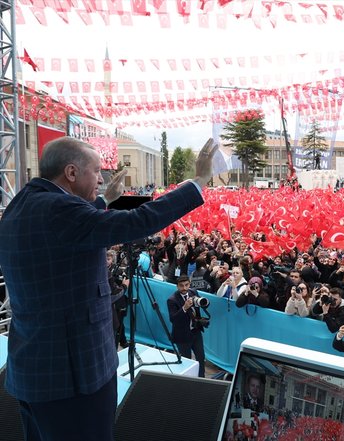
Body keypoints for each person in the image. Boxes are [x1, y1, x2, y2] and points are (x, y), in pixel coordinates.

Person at [0, 136, 217, 441]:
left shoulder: (22, 204)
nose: (101, 179)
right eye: (96, 171)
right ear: (72, 172)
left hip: (34, 370)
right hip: (73, 378)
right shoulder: (59, 209)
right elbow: (135, 221)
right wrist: (197, 182)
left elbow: (71, 231)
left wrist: (104, 201)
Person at [167, 276, 208, 378]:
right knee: (187, 362)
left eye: (186, 285)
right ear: (177, 286)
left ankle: (202, 379)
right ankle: (188, 382)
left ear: (189, 284)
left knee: (201, 358)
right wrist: (184, 308)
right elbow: (173, 319)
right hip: (182, 336)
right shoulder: (172, 300)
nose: (184, 288)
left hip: (196, 332)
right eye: (181, 286)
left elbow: (202, 305)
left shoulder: (193, 292)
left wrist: (204, 303)